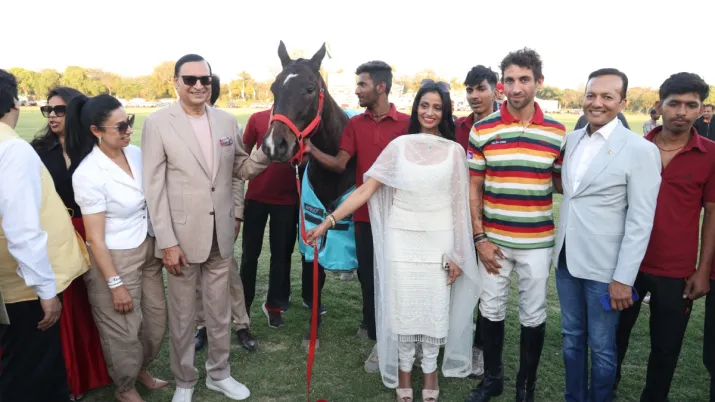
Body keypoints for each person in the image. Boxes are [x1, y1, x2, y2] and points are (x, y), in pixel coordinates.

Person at [306, 80, 480, 402]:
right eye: (424, 105)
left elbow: (459, 205)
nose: (429, 112)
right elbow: (365, 189)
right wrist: (329, 221)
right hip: (401, 238)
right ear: (416, 109)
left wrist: (458, 251)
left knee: (433, 310)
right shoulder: (398, 147)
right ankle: (403, 371)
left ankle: (429, 373)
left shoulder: (455, 152)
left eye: (437, 107)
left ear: (445, 113)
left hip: (439, 241)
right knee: (403, 310)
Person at [141, 54, 270, 402]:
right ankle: (185, 380)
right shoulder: (158, 123)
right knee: (183, 316)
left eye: (205, 79)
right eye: (190, 79)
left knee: (220, 310)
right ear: (176, 82)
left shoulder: (227, 121)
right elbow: (153, 188)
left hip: (220, 236)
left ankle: (219, 373)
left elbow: (240, 169)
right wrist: (166, 241)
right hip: (180, 240)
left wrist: (267, 152)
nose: (199, 85)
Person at [464, 48, 566, 402]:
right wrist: (479, 238)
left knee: (533, 313)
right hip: (494, 243)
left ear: (539, 82)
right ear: (500, 84)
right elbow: (473, 187)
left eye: (524, 79)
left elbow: (560, 182)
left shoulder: (557, 132)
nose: (516, 87)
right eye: (509, 80)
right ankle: (493, 380)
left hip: (537, 242)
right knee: (490, 310)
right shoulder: (482, 129)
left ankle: (526, 386)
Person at [553, 68, 661, 402]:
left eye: (607, 96)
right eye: (591, 95)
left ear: (622, 102)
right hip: (566, 261)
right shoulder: (572, 139)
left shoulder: (639, 149)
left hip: (607, 271)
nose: (596, 103)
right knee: (571, 338)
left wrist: (623, 279)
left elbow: (641, 221)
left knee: (601, 347)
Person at [304, 60, 410, 372]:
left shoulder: (406, 124)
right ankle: (377, 336)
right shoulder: (356, 125)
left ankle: (405, 337)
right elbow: (339, 164)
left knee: (399, 279)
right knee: (369, 277)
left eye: (362, 85)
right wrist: (312, 149)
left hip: (403, 216)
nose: (357, 90)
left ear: (381, 87)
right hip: (365, 216)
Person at [615, 72, 715, 401]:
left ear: (702, 109)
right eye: (674, 104)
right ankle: (604, 392)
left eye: (691, 105)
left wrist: (703, 270)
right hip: (626, 265)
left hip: (677, 271)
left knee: (666, 349)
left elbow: (712, 214)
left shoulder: (710, 154)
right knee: (612, 341)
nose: (682, 112)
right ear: (660, 106)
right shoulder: (634, 147)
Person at [66, 94, 168, 402]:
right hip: (112, 258)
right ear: (96, 131)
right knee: (122, 331)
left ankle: (141, 369)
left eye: (130, 122)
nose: (128, 130)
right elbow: (95, 238)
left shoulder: (136, 153)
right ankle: (124, 387)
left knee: (155, 321)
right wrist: (114, 284)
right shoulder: (88, 174)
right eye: (120, 126)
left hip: (146, 247)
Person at [0, 69, 89, 402]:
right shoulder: (15, 149)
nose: (51, 115)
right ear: (13, 101)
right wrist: (45, 289)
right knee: (28, 370)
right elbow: (22, 228)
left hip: (11, 279)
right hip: (22, 284)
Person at [30, 86, 113, 400]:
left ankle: (103, 367)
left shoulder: (94, 150)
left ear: (75, 112)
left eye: (60, 109)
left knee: (97, 303)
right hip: (56, 235)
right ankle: (70, 376)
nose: (52, 115)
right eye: (47, 110)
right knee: (68, 308)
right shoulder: (36, 150)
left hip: (92, 232)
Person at [194, 75, 256, 352]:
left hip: (222, 215)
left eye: (204, 88)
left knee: (229, 273)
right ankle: (202, 326)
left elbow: (236, 175)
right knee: (195, 275)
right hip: (191, 217)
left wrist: (238, 215)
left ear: (211, 95)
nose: (198, 91)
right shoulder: (174, 127)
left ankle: (241, 325)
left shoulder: (227, 124)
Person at [454, 65, 499, 378]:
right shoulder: (458, 127)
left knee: (488, 286)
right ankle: (456, 340)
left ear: (496, 90)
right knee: (458, 280)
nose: (474, 96)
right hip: (459, 215)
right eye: (469, 90)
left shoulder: (506, 126)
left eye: (480, 88)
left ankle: (481, 349)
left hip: (495, 217)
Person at [240, 107, 298, 329]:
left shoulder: (299, 120)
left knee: (281, 257)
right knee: (249, 255)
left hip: (286, 200)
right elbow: (243, 157)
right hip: (256, 197)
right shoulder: (257, 118)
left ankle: (274, 306)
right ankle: (243, 305)